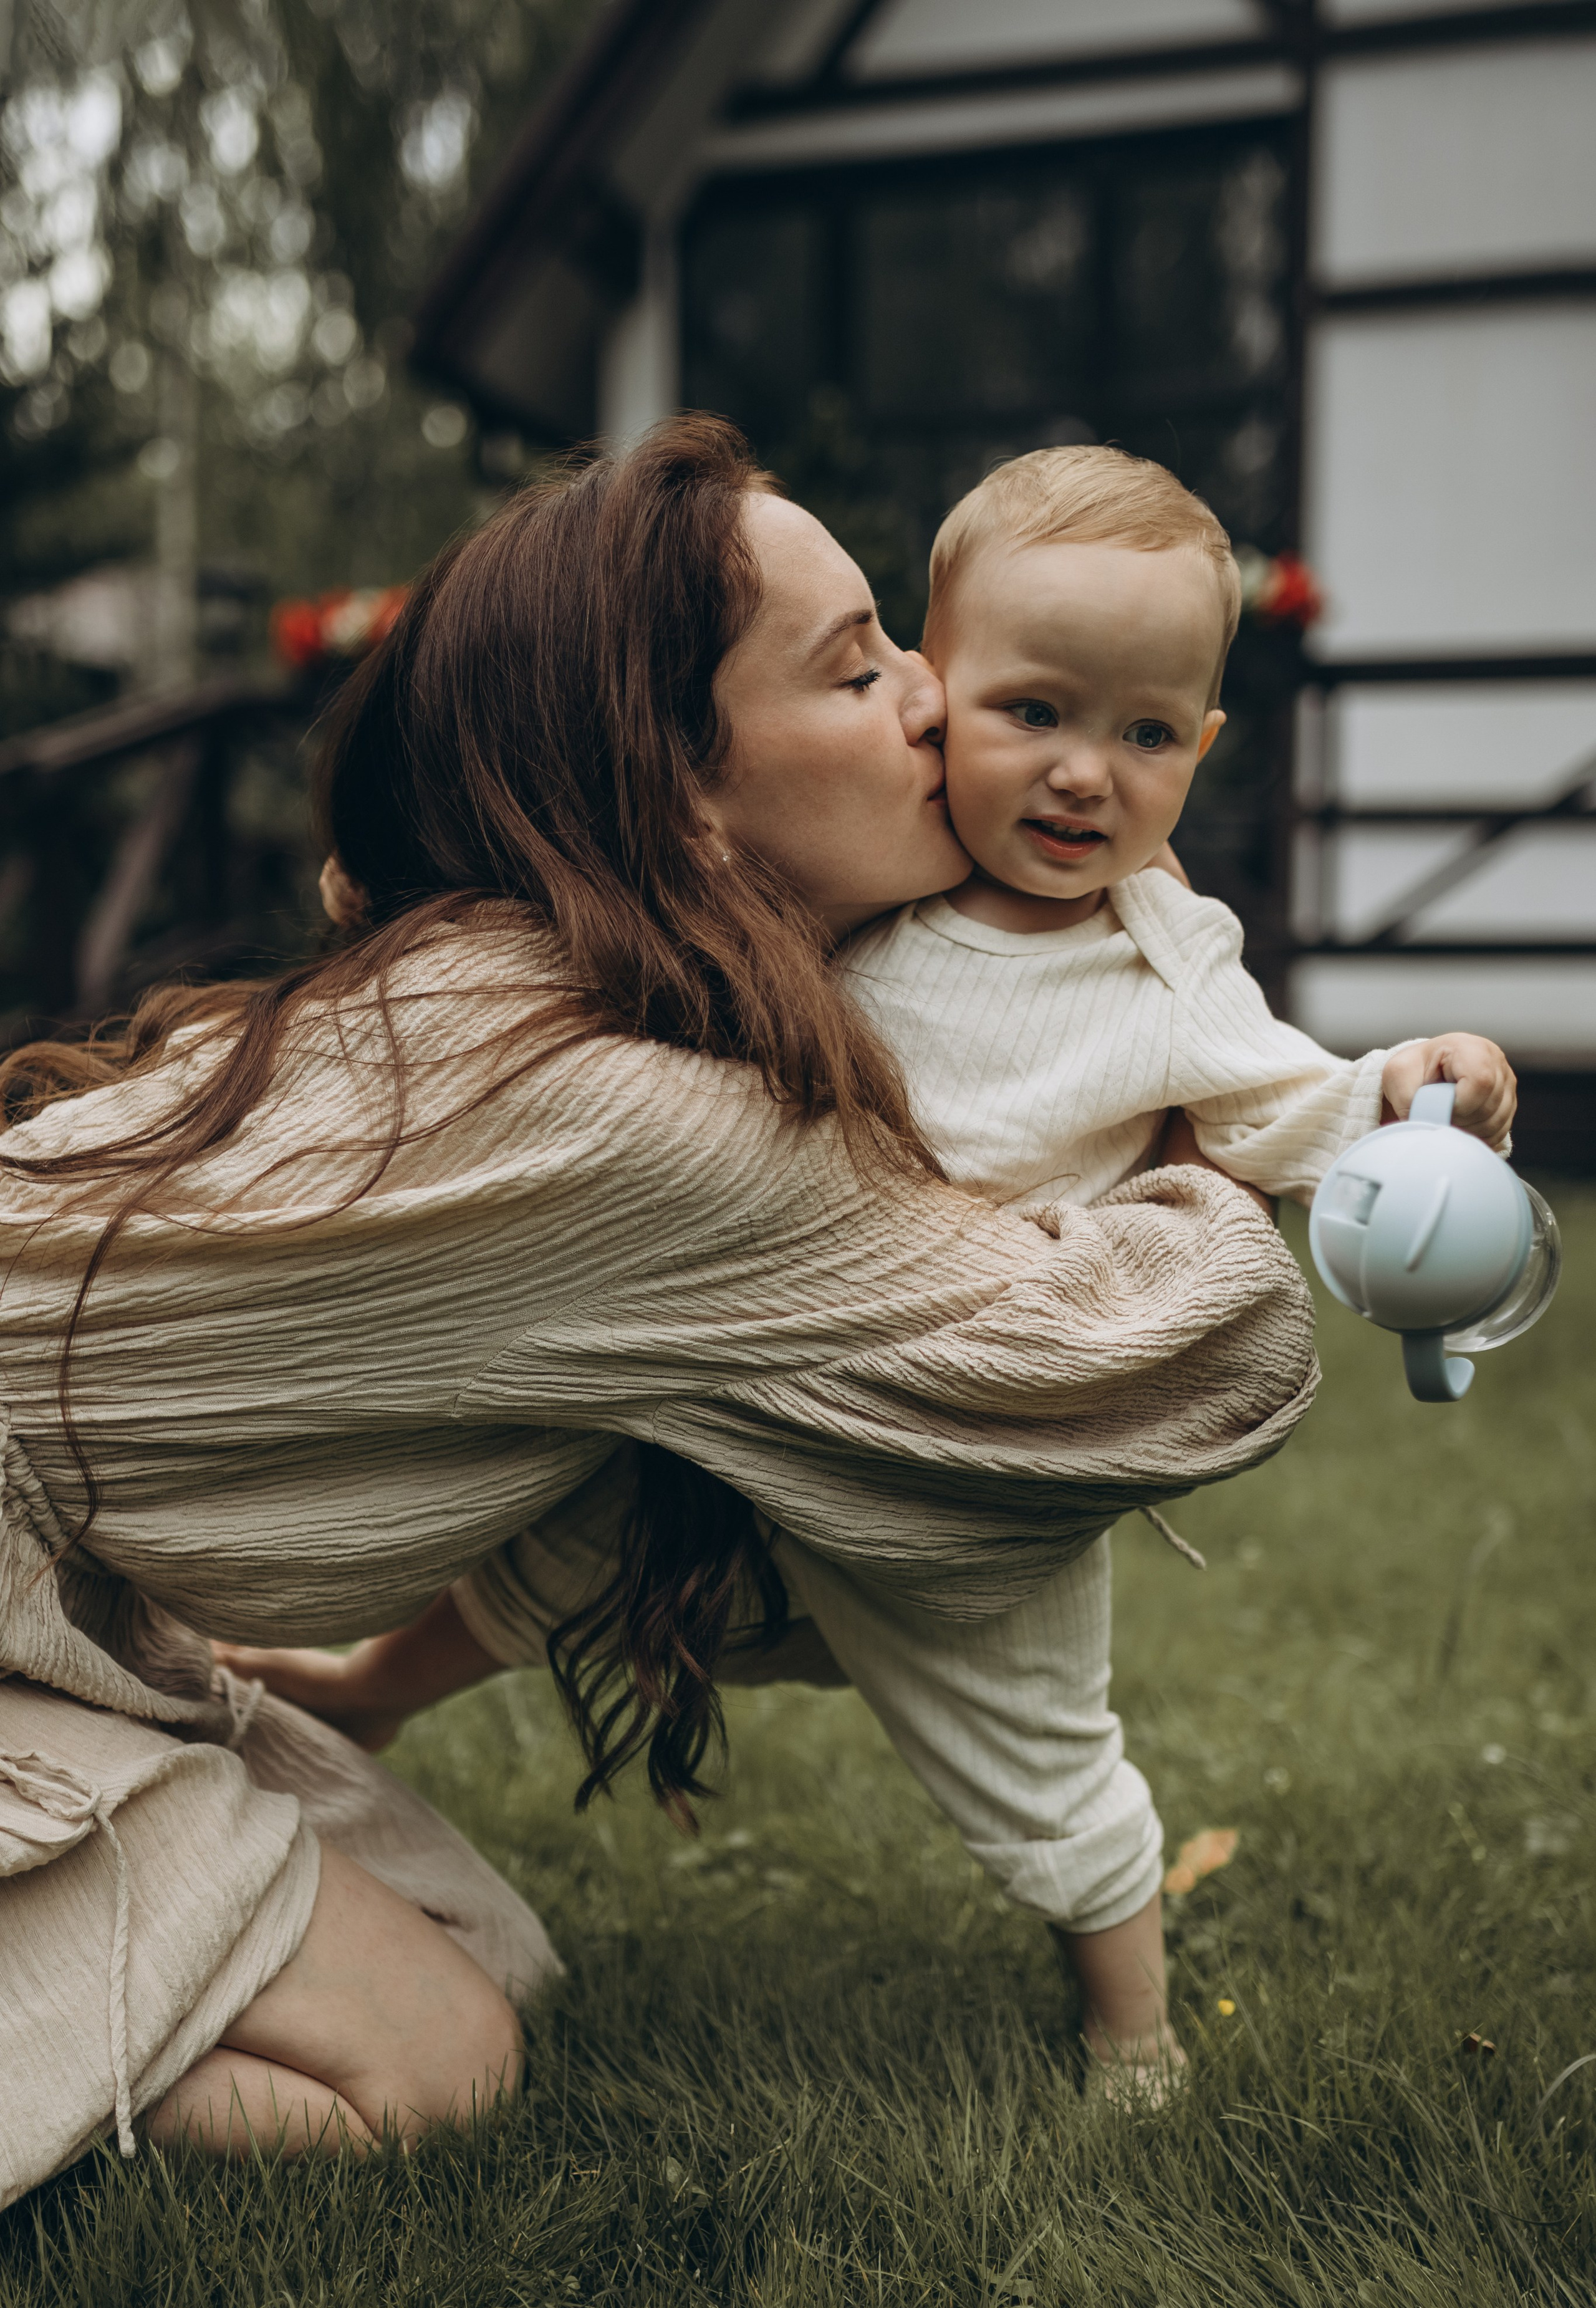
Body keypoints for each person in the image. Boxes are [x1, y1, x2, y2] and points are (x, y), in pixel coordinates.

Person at [0, 418, 1320, 2209]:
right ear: (685, 791)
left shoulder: (544, 964)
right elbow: (1127, 1370)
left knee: (488, 1950)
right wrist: (1207, 1151)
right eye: (859, 666)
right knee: (434, 2067)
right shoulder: (662, 1127)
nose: (935, 698)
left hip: (71, 1623)